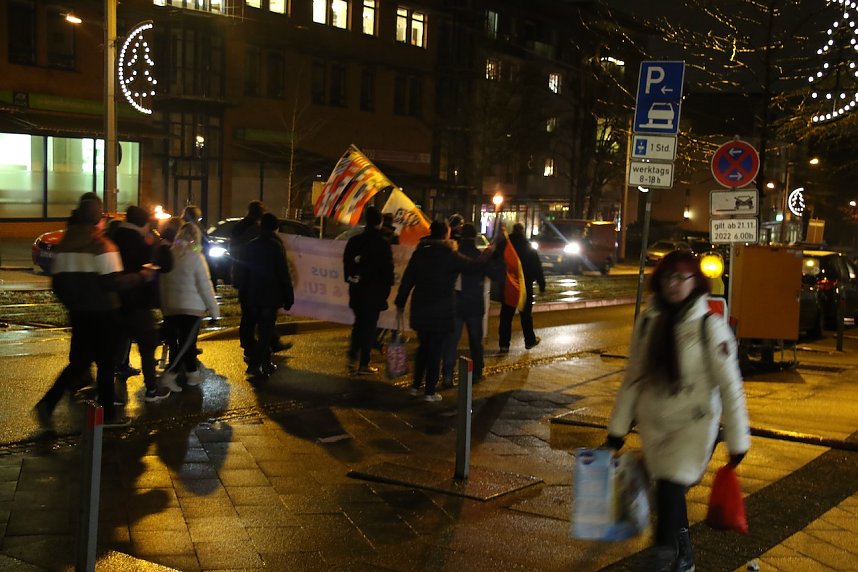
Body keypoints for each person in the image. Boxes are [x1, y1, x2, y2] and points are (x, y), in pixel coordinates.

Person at [604, 250, 750, 572]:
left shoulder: (710, 327)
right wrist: (616, 433)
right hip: (655, 426)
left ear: (696, 282)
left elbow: (730, 386)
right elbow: (633, 379)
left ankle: (663, 551)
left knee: (671, 485)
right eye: (669, 276)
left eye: (682, 277)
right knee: (667, 491)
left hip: (693, 425)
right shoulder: (648, 322)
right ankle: (682, 557)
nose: (674, 284)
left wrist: (738, 440)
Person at [34, 194, 153, 428]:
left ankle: (47, 403)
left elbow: (57, 283)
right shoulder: (102, 245)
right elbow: (113, 282)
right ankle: (107, 415)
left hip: (79, 314)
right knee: (106, 364)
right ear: (99, 219)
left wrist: (74, 304)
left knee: (79, 363)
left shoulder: (65, 245)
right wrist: (142, 276)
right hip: (104, 313)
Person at [395, 220, 491, 401]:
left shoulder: (420, 252)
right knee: (435, 349)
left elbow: (408, 279)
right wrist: (488, 254)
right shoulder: (450, 255)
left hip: (421, 306)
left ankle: (415, 386)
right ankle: (430, 391)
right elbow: (473, 267)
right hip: (441, 308)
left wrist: (400, 301)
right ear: (445, 234)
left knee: (424, 347)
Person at [113, 205, 172, 402]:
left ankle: (108, 394)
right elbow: (162, 264)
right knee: (148, 345)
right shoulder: (141, 242)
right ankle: (152, 389)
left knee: (116, 347)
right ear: (143, 223)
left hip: (116, 302)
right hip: (137, 301)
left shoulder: (114, 237)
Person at [158, 222, 220, 392]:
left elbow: (162, 285)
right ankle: (169, 376)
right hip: (193, 308)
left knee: (185, 344)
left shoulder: (170, 255)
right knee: (186, 344)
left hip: (172, 306)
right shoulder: (196, 257)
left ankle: (193, 374)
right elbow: (205, 286)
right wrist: (214, 311)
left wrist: (165, 307)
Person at [230, 201, 291, 360]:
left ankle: (251, 346)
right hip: (261, 283)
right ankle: (261, 350)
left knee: (248, 315)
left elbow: (234, 252)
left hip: (243, 277)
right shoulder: (258, 233)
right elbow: (281, 270)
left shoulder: (238, 228)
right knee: (263, 318)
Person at [343, 206, 395, 374]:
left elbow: (347, 264)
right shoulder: (383, 244)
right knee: (369, 326)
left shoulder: (355, 241)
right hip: (374, 292)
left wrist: (352, 279)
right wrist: (386, 289)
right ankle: (364, 363)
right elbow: (387, 270)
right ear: (380, 222)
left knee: (359, 324)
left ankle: (352, 357)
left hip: (357, 290)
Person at [243, 212, 295, 378]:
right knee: (265, 334)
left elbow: (243, 271)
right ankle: (254, 364)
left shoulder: (251, 245)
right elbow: (283, 273)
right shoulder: (275, 246)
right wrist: (289, 296)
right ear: (275, 228)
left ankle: (266, 364)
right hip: (269, 297)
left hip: (253, 296)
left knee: (262, 332)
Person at [440, 223, 489, 387]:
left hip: (455, 302)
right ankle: (476, 372)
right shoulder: (479, 256)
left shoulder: (454, 254)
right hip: (474, 303)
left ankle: (447, 375)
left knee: (451, 341)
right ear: (474, 236)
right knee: (475, 341)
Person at [497, 222, 545, 352]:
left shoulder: (505, 246)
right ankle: (529, 340)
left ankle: (504, 344)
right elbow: (537, 267)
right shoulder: (528, 247)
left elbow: (496, 261)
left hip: (509, 285)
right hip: (525, 286)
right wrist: (541, 285)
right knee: (526, 316)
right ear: (523, 232)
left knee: (506, 316)